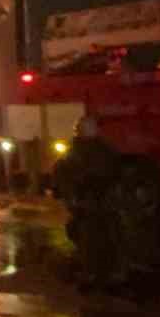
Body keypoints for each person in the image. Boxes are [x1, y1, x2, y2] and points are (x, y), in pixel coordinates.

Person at [54, 113, 125, 290]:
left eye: (88, 127)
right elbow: (65, 174)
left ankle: (103, 273)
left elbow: (114, 172)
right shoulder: (86, 150)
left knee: (101, 237)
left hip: (98, 203)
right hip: (91, 203)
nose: (87, 131)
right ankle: (98, 273)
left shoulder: (96, 150)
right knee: (92, 238)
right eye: (85, 128)